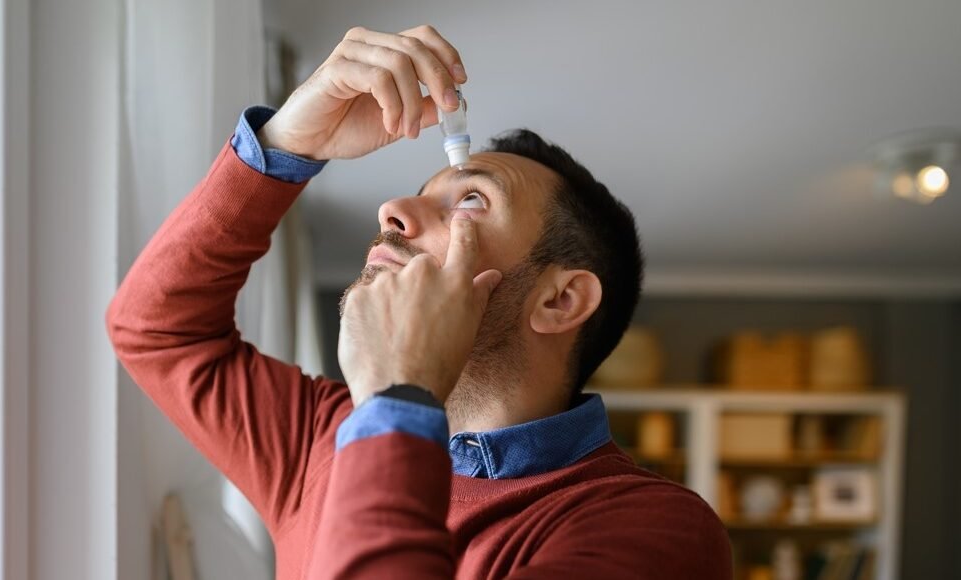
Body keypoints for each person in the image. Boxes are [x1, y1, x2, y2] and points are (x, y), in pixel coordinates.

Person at [107, 24, 732, 580]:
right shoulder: (324, 439)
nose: (393, 212)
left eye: (470, 201)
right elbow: (158, 329)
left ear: (561, 300)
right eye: (418, 193)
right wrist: (285, 146)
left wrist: (399, 398)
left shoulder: (653, 529)